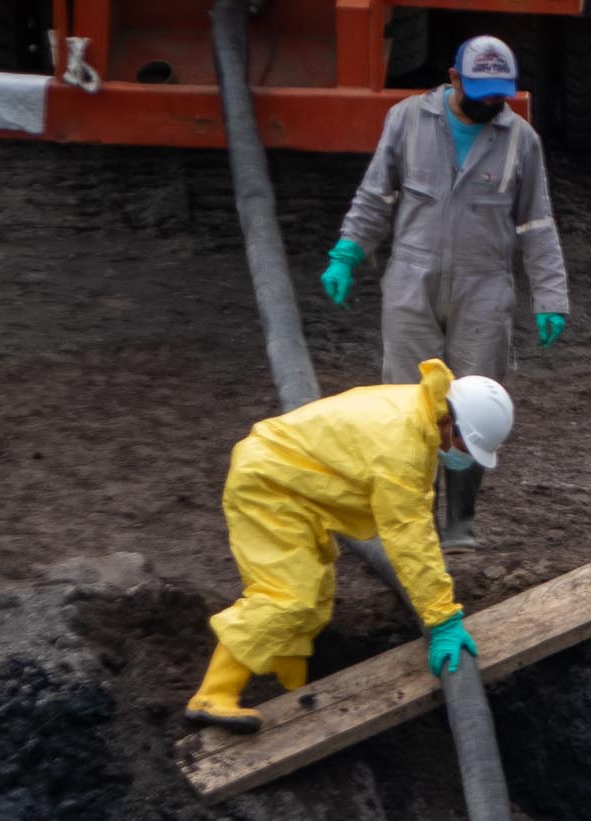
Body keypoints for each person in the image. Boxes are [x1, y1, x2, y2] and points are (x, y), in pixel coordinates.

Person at [319, 35, 570, 553]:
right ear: (454, 80)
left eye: (500, 94)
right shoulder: (408, 120)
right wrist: (348, 250)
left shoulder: (521, 140)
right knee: (407, 404)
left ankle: (460, 521)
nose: (490, 103)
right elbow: (376, 193)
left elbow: (537, 225)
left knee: (473, 403)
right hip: (412, 280)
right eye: (480, 92)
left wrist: (550, 296)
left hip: (484, 288)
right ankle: (412, 519)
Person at [184, 357, 507, 732]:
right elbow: (409, 539)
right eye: (465, 446)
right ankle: (213, 695)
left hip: (293, 485)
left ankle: (290, 686)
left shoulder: (419, 413)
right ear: (451, 424)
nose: (464, 456)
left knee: (315, 595)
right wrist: (442, 618)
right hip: (268, 485)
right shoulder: (400, 445)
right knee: (287, 596)